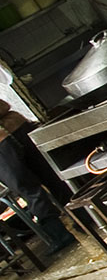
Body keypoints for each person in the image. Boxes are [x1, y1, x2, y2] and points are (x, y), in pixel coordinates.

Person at [0, 98, 75, 252]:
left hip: (8, 138)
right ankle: (84, 218)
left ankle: (62, 234)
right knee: (49, 178)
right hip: (16, 128)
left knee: (31, 188)